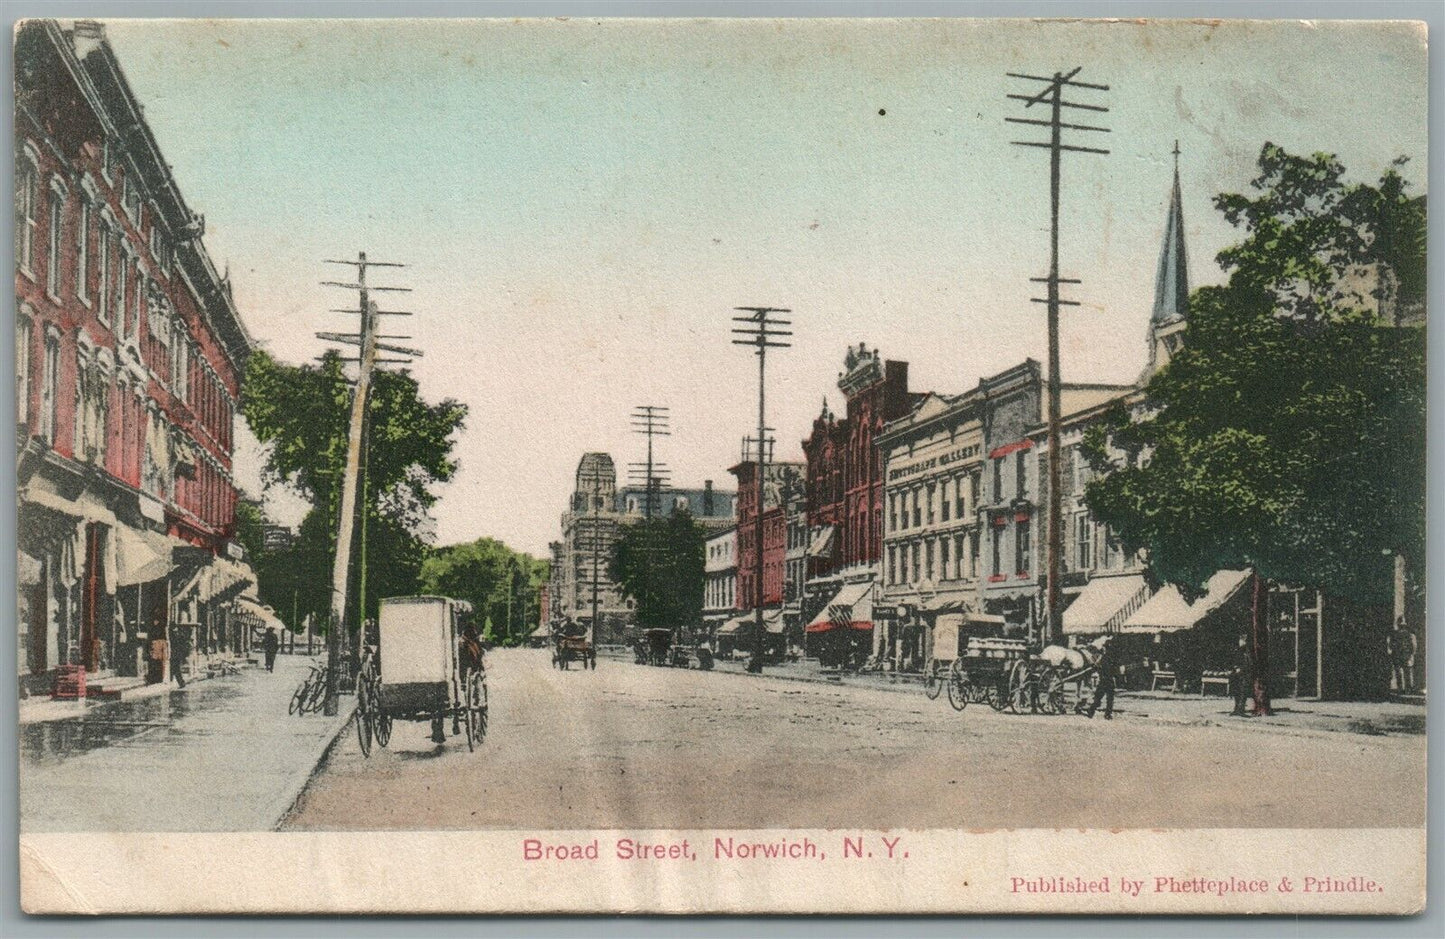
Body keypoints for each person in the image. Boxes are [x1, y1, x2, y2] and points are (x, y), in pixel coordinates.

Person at [1085, 637, 1120, 720]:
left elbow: (1097, 667)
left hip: (1102, 680)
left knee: (1098, 697)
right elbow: (1114, 670)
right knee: (1110, 698)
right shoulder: (1112, 658)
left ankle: (1091, 710)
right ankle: (1107, 714)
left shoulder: (1103, 657)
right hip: (1108, 680)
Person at [1231, 634, 1252, 716]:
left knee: (1243, 692)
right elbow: (1234, 660)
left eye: (1244, 641)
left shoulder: (1247, 651)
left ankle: (1241, 709)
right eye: (1242, 641)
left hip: (1244, 673)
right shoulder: (1238, 650)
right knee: (1237, 691)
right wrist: (1236, 667)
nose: (1243, 642)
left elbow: (1249, 662)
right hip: (1237, 673)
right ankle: (1237, 709)